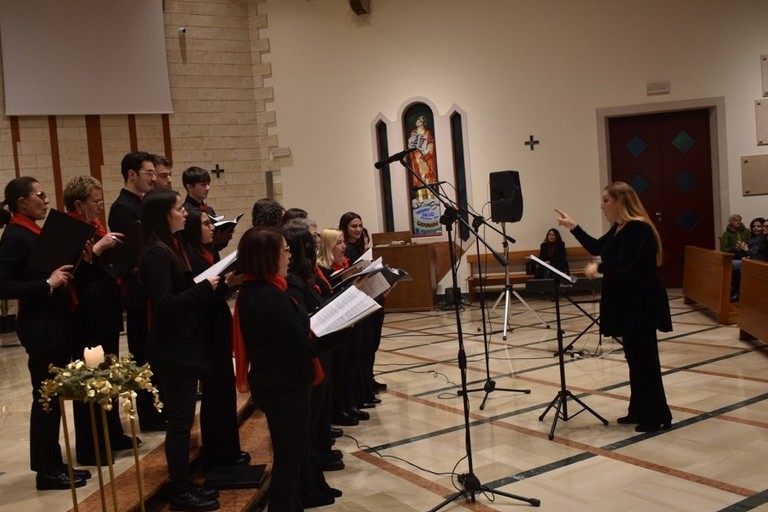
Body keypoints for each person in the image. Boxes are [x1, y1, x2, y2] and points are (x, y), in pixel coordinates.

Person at [139, 189, 233, 511]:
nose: (184, 213)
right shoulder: (156, 253)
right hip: (172, 348)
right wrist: (203, 289)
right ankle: (179, 491)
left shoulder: (172, 247)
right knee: (179, 422)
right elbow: (164, 306)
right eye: (178, 209)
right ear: (163, 215)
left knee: (182, 419)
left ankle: (186, 483)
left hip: (183, 343)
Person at [555, 181, 672, 433]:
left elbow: (627, 261)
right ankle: (639, 409)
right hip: (628, 302)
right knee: (635, 358)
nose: (602, 205)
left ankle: (657, 415)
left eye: (606, 200)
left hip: (641, 302)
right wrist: (573, 227)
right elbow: (598, 247)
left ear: (621, 201)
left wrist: (599, 268)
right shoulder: (620, 228)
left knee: (645, 360)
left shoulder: (637, 227)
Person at [0, 177, 93, 490]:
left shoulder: (33, 231)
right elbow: (3, 284)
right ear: (21, 201)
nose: (44, 199)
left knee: (52, 396)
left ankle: (53, 463)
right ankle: (46, 470)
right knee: (45, 397)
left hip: (54, 321)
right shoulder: (15, 235)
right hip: (40, 325)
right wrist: (47, 284)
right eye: (39, 195)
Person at [235, 227, 316, 512]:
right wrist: (342, 331)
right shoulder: (270, 296)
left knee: (289, 459)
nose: (289, 255)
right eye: (284, 250)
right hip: (285, 387)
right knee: (288, 462)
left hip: (275, 383)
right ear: (268, 256)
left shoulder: (255, 290)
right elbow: (298, 348)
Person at [64, 176, 136, 466]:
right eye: (95, 202)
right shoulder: (69, 229)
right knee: (90, 381)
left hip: (104, 312)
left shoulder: (94, 228)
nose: (100, 207)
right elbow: (71, 272)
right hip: (86, 317)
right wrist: (98, 249)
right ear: (79, 204)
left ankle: (113, 434)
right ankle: (90, 446)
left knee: (108, 373)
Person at [181, 207, 249, 470]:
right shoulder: (192, 258)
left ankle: (229, 450)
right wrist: (229, 284)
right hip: (207, 332)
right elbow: (201, 297)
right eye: (207, 223)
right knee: (216, 394)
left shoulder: (207, 253)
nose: (212, 228)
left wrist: (229, 283)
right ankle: (219, 453)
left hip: (217, 327)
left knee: (223, 392)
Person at [283, 226, 344, 505]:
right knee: (310, 427)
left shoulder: (302, 277)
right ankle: (310, 485)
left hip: (320, 351)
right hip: (311, 356)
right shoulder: (293, 282)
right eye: (313, 240)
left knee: (317, 421)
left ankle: (316, 480)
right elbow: (309, 315)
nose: (318, 243)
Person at [108, 151, 165, 431]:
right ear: (132, 175)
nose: (154, 179)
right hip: (138, 293)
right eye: (149, 173)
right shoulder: (123, 208)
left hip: (147, 291)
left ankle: (157, 410)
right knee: (143, 354)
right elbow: (128, 254)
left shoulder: (139, 203)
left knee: (153, 354)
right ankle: (150, 414)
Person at [181, 166, 233, 254]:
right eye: (203, 184)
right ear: (189, 187)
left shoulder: (209, 210)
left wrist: (225, 236)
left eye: (208, 184)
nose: (208, 187)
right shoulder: (185, 212)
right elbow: (191, 247)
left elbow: (217, 247)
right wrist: (216, 241)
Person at [730, 218, 768, 302]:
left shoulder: (763, 239)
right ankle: (734, 290)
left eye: (760, 226)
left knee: (731, 264)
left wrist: (747, 251)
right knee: (730, 258)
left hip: (761, 264)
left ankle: (738, 292)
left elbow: (763, 256)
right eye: (764, 226)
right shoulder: (762, 238)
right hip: (754, 261)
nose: (757, 228)